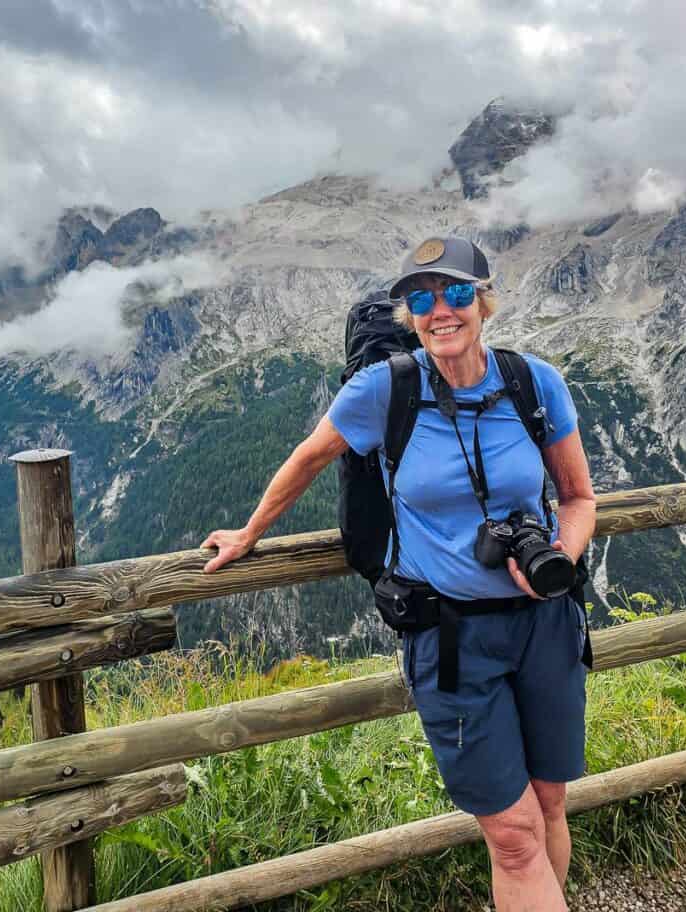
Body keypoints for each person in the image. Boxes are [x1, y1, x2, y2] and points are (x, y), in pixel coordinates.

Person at [201, 235, 596, 912]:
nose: (441, 310)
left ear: (484, 301)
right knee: (513, 834)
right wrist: (250, 531)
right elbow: (308, 457)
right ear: (410, 315)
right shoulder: (386, 388)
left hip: (546, 625)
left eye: (457, 293)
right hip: (452, 639)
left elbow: (579, 497)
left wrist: (558, 557)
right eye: (422, 298)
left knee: (550, 804)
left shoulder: (535, 383)